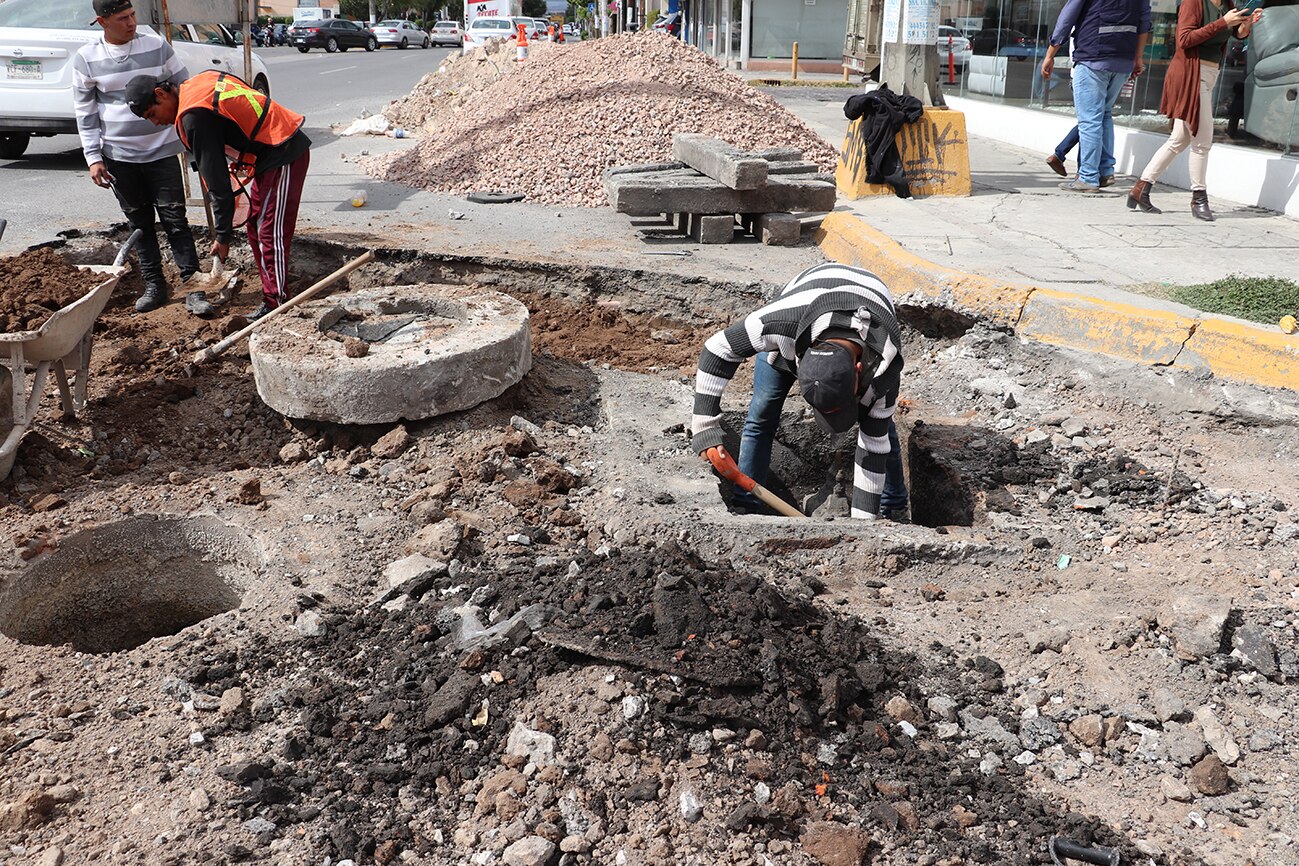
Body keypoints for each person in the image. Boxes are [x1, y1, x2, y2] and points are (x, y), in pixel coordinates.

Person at [689, 263, 909, 521]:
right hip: (802, 316)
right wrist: (704, 427)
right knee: (762, 411)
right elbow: (717, 349)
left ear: (859, 368)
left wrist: (862, 528)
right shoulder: (778, 325)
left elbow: (872, 446)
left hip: (866, 303)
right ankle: (747, 507)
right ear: (800, 362)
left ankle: (893, 507)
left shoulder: (885, 359)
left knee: (879, 421)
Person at [125, 70, 311, 320]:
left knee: (270, 232)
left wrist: (223, 237)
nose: (156, 123)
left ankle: (277, 305)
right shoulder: (196, 85)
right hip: (269, 154)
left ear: (161, 94)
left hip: (283, 150)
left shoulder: (193, 117)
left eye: (152, 114)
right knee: (256, 227)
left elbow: (218, 184)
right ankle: (271, 296)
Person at [72, 0, 199, 313]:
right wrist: (94, 158)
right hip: (119, 157)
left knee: (175, 220)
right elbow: (85, 113)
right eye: (122, 18)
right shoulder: (87, 59)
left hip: (163, 150)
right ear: (102, 22)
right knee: (139, 222)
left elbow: (186, 89)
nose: (131, 23)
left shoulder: (157, 47)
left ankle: (194, 285)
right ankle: (155, 285)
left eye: (132, 15)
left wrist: (191, 139)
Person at [1127, 0, 1261, 220]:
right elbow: (1184, 39)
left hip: (1209, 75)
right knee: (1202, 140)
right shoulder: (1193, 2)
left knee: (1179, 139)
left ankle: (1140, 189)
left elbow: (1235, 34)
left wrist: (1245, 26)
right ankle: (1198, 198)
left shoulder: (1227, 3)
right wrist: (1222, 22)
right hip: (1191, 75)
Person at [1042, 0, 1152, 193]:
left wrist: (1051, 53)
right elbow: (1144, 21)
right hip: (1122, 59)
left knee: (1090, 120)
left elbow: (1067, 18)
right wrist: (1138, 57)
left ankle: (1088, 177)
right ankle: (1105, 171)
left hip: (1093, 56)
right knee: (1104, 115)